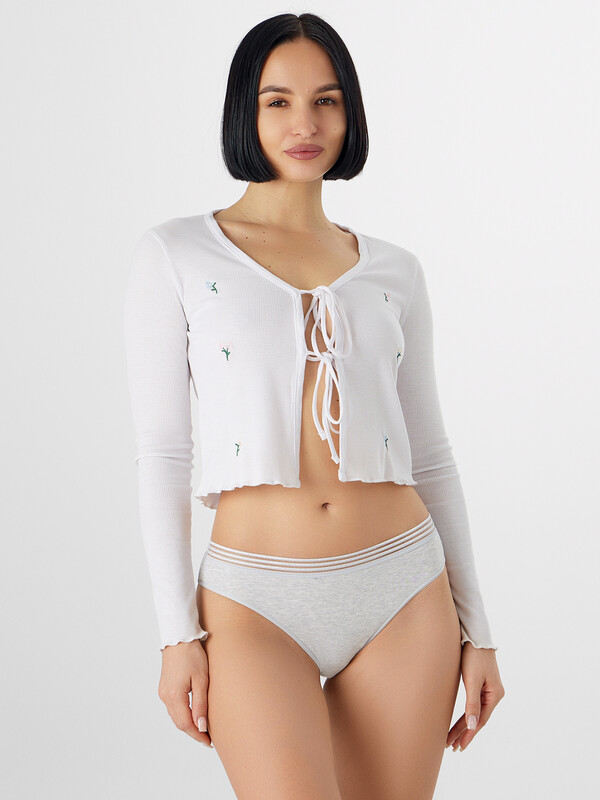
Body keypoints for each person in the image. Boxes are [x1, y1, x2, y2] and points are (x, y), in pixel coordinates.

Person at [124, 12, 505, 799]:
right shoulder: (176, 254)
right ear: (245, 110)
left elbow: (432, 455)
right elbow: (163, 454)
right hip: (253, 603)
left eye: (326, 101)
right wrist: (174, 635)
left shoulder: (395, 270)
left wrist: (481, 632)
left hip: (405, 590)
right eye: (279, 101)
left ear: (350, 112)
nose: (305, 124)